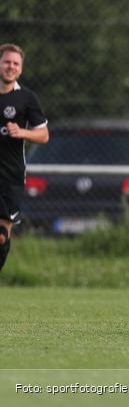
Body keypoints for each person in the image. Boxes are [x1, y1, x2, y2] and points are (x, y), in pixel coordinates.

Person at [0, 44, 49, 274]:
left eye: (15, 64)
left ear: (20, 69)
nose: (10, 67)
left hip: (10, 176)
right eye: (7, 62)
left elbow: (44, 134)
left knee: (1, 237)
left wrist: (22, 133)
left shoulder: (26, 98)